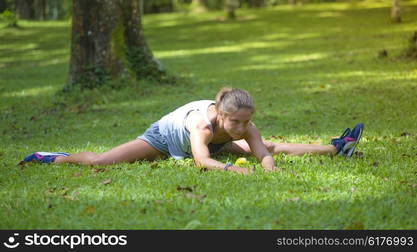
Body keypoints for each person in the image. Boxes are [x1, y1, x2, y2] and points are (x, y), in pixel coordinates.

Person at [20, 87, 364, 175]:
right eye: (236, 123)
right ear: (222, 116)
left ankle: (337, 147)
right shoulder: (202, 125)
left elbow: (262, 153)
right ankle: (55, 158)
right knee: (101, 162)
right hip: (165, 139)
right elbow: (201, 161)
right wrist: (234, 171)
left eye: (246, 121)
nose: (242, 128)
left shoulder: (245, 126)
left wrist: (267, 169)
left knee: (272, 146)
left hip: (213, 146)